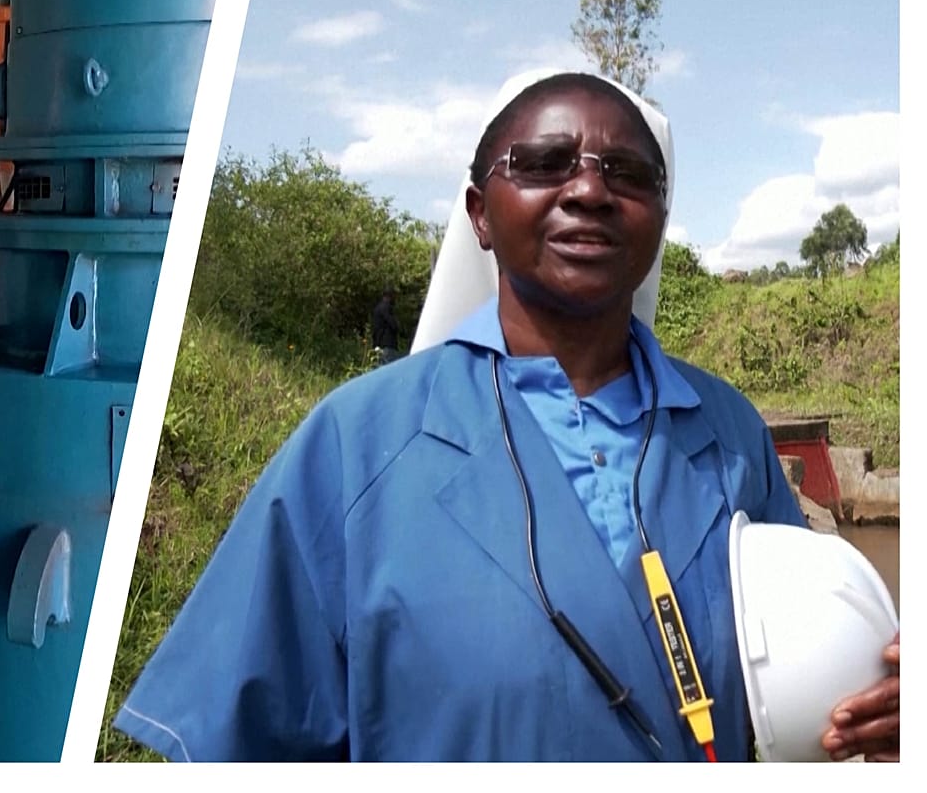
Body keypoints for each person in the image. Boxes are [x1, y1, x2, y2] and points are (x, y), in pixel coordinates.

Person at [111, 70, 899, 762]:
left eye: (628, 173)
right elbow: (245, 739)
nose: (589, 191)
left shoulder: (729, 436)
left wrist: (876, 705)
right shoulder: (356, 444)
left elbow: (803, 676)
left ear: (660, 217)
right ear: (480, 213)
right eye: (545, 163)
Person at [370, 287, 399, 365]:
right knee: (390, 367)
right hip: (388, 344)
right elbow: (393, 325)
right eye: (394, 296)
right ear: (390, 296)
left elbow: (375, 328)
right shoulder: (386, 308)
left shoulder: (377, 308)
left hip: (379, 344)